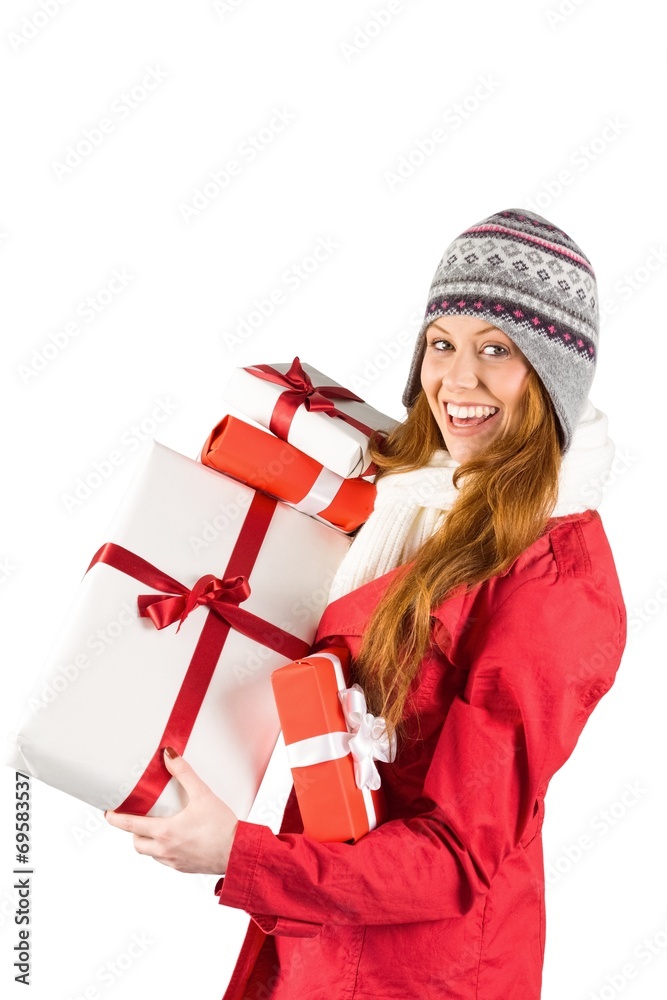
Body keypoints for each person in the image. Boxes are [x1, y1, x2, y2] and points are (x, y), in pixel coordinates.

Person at [105, 208, 627, 999]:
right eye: (441, 344)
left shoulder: (554, 582)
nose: (457, 380)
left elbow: (456, 857)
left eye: (496, 350)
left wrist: (237, 854)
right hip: (323, 928)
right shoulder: (411, 504)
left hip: (422, 973)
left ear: (554, 377)